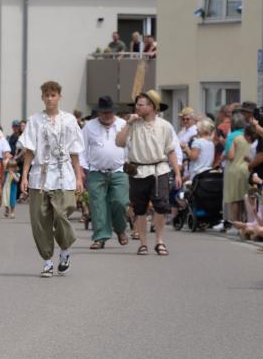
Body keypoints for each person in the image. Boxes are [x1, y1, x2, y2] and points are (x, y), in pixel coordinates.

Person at [18, 81, 84, 276]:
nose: (49, 98)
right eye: (46, 95)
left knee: (62, 213)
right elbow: (30, 149)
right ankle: (47, 260)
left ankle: (65, 248)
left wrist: (79, 176)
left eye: (53, 95)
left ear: (59, 97)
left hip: (64, 174)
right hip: (40, 175)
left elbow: (75, 151)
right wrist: (24, 176)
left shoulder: (69, 120)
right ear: (42, 97)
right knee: (40, 219)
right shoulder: (35, 120)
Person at [116, 90, 181, 256]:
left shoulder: (165, 125)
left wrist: (178, 173)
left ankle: (159, 241)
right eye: (137, 104)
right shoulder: (133, 124)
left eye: (141, 104)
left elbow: (171, 150)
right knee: (140, 209)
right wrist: (128, 123)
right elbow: (119, 143)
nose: (137, 107)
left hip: (159, 170)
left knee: (161, 206)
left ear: (152, 107)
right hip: (138, 171)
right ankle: (143, 243)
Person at [82, 96, 129, 250]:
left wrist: (130, 163)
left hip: (119, 170)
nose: (107, 115)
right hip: (96, 171)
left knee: (120, 202)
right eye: (104, 113)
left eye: (110, 112)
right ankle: (100, 237)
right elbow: (81, 149)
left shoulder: (123, 124)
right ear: (98, 113)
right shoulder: (89, 127)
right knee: (97, 206)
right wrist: (83, 169)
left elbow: (130, 145)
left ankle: (120, 229)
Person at [223, 113, 252, 227]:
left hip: (234, 169)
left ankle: (236, 224)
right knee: (244, 198)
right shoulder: (248, 135)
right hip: (247, 168)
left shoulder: (232, 137)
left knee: (234, 199)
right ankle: (245, 222)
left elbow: (230, 156)